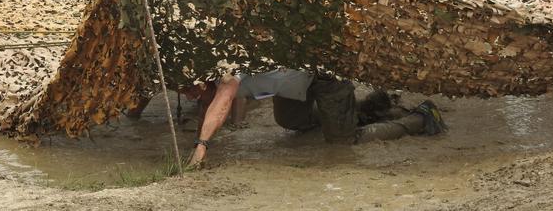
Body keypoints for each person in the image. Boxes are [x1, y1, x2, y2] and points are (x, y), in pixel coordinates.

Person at [184, 68, 447, 168]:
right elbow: (210, 104)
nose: (188, 96)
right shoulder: (207, 76)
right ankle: (368, 109)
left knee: (344, 141)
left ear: (203, 78)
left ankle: (420, 118)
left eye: (191, 88)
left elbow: (222, 103)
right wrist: (201, 138)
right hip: (293, 83)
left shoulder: (226, 72)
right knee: (290, 123)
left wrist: (201, 148)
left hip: (324, 75)